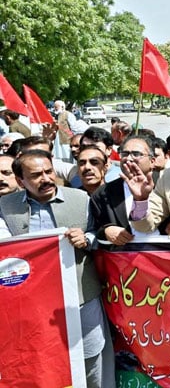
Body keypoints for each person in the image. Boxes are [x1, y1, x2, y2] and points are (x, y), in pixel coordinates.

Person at [0, 150, 114, 387]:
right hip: (32, 306)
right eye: (36, 175)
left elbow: (97, 233)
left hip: (81, 297)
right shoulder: (5, 206)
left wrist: (87, 239)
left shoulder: (81, 199)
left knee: (91, 358)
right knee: (42, 361)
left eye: (49, 171)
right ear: (21, 181)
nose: (46, 179)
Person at [90, 135, 159, 246]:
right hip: (124, 259)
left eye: (136, 154)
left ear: (152, 161)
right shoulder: (103, 193)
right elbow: (94, 230)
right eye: (125, 154)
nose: (129, 159)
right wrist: (106, 231)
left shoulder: (167, 185)